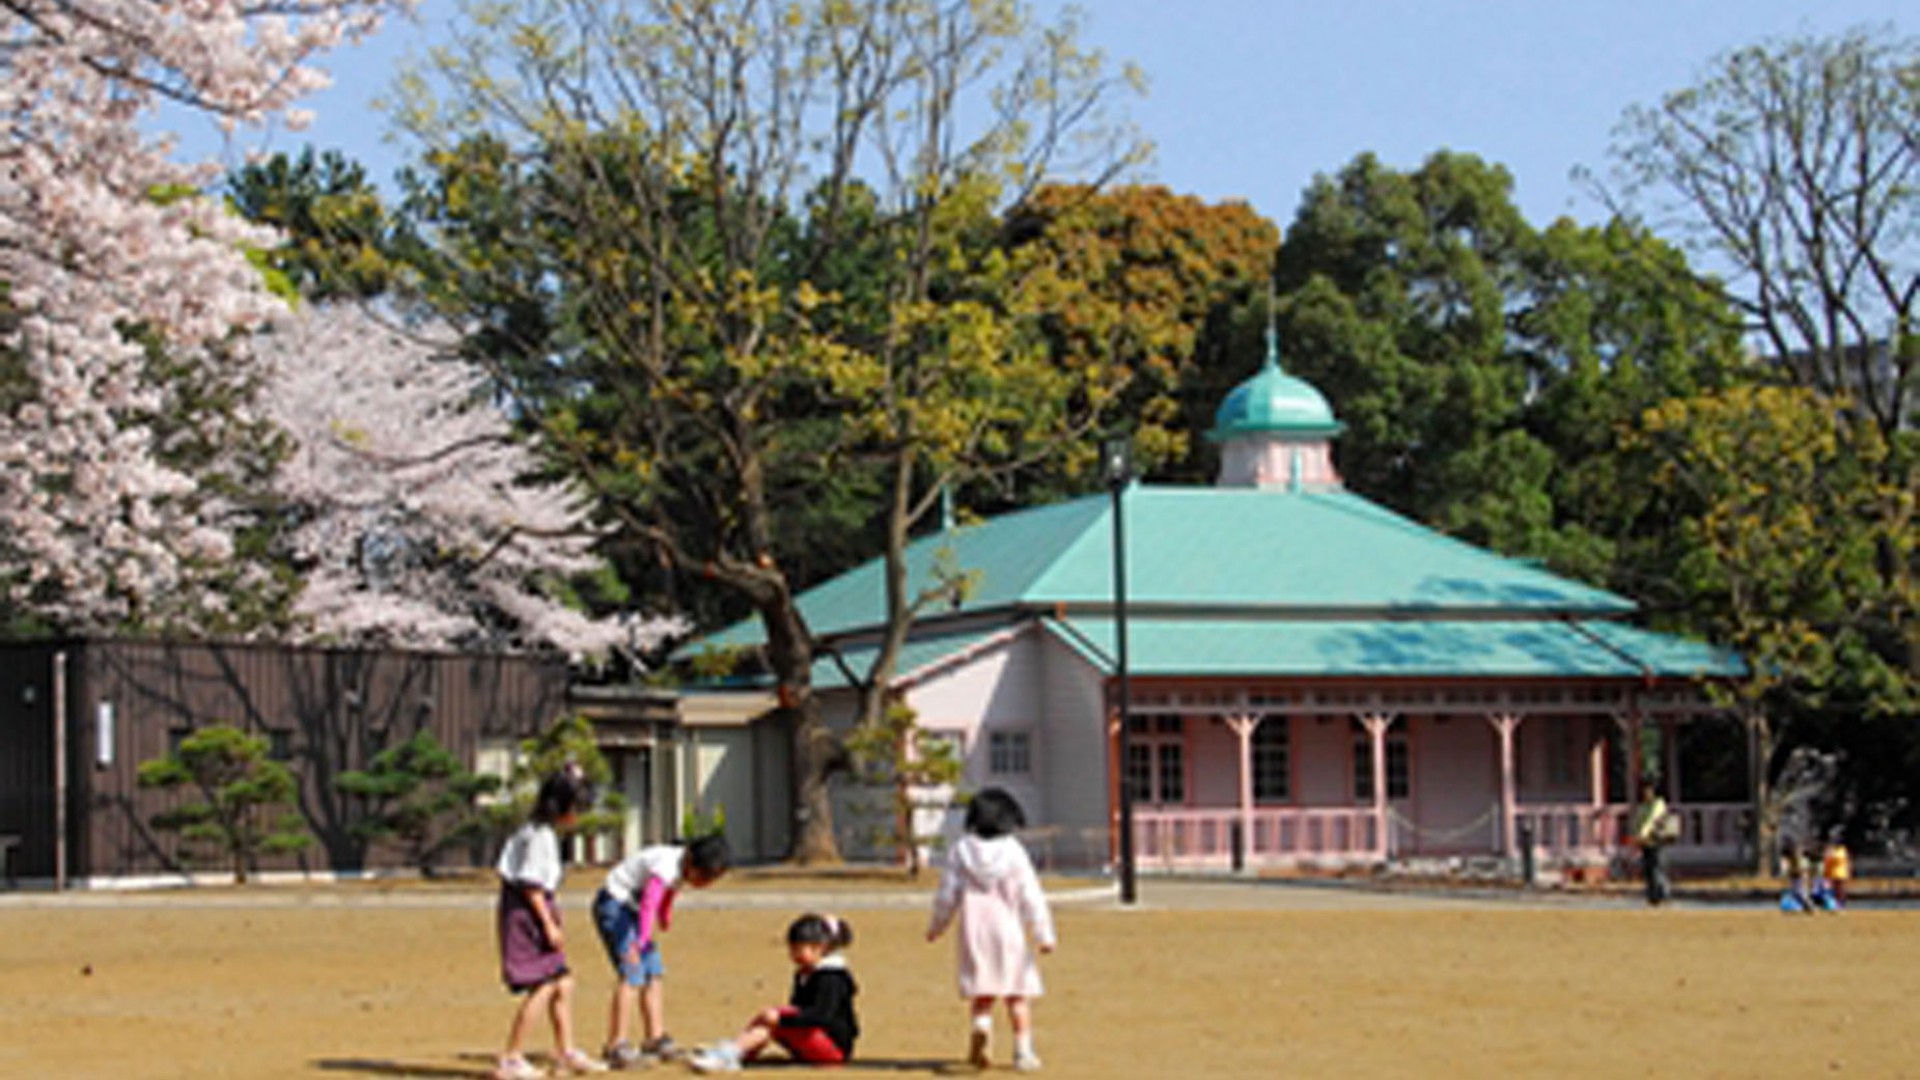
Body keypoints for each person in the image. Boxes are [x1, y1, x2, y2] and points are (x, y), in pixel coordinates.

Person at [926, 787, 1057, 1073]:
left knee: (982, 992)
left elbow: (947, 895)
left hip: (974, 930)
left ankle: (981, 1027)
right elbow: (1031, 896)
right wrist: (1043, 934)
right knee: (1017, 994)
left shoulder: (961, 850)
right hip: (1008, 930)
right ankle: (1023, 1051)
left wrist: (937, 926)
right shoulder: (1014, 851)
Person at [493, 768, 607, 1080]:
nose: (579, 816)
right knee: (543, 985)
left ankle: (565, 1051)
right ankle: (512, 1057)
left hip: (534, 910)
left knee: (563, 982)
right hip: (527, 916)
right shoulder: (538, 837)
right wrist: (548, 925)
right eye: (576, 808)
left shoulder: (537, 832)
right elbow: (531, 886)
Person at [594, 834, 732, 1068]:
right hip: (615, 907)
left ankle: (655, 1038)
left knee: (653, 973)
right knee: (632, 973)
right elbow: (650, 900)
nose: (706, 883)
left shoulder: (680, 867)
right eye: (705, 877)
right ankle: (616, 1045)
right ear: (691, 862)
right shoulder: (666, 866)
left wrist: (665, 914)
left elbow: (669, 892)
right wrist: (643, 939)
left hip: (633, 913)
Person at [686, 913, 860, 1073]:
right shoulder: (804, 974)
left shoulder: (831, 978)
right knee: (770, 1016)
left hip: (834, 1050)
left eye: (799, 949)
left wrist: (782, 1020)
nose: (794, 955)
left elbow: (822, 1015)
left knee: (774, 1022)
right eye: (792, 950)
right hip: (815, 1038)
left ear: (820, 947)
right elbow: (797, 1006)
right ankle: (737, 1049)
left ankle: (732, 1053)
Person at [1629, 779, 1675, 906]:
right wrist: (1635, 836)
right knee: (1648, 869)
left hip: (1657, 840)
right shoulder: (1643, 806)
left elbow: (1651, 820)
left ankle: (1664, 895)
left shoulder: (1659, 804)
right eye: (1645, 791)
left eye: (1649, 790)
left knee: (1658, 868)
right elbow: (1638, 821)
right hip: (1646, 842)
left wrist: (1642, 834)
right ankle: (1652, 896)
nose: (1646, 793)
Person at [1781, 837, 1816, 914]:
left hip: (1799, 877)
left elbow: (1802, 869)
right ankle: (1806, 907)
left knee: (1800, 893)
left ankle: (1810, 907)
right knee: (1796, 893)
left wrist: (1804, 877)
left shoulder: (1798, 856)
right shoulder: (1793, 856)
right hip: (1796, 876)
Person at [1819, 832, 1852, 909]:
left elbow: (1846, 861)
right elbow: (1826, 860)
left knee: (1840, 890)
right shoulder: (1832, 850)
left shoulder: (1842, 850)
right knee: (1833, 890)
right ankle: (1834, 904)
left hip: (1840, 873)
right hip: (1832, 872)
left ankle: (1841, 904)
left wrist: (1849, 871)